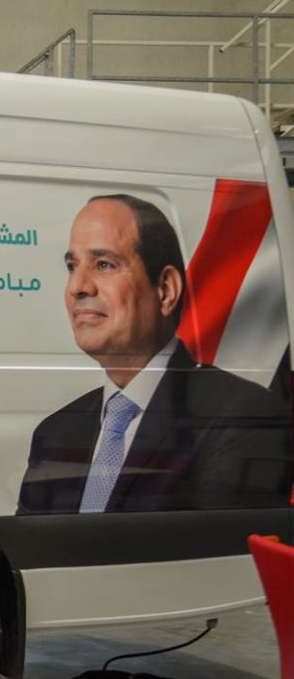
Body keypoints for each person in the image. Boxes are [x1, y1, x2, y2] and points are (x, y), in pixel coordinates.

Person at [18, 194, 290, 514]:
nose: (77, 286)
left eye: (104, 264)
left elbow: (217, 544)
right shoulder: (55, 433)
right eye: (72, 266)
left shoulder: (242, 417)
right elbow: (30, 546)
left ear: (165, 290)